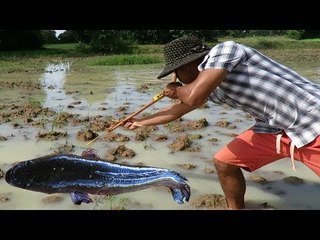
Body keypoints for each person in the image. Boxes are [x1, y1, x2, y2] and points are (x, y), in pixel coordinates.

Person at [123, 35, 320, 209]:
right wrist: (140, 122)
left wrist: (175, 90)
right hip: (274, 129)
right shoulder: (210, 88)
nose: (177, 78)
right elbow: (177, 110)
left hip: (312, 121)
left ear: (188, 65)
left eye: (176, 72)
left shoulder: (225, 50)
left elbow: (191, 97)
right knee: (224, 162)